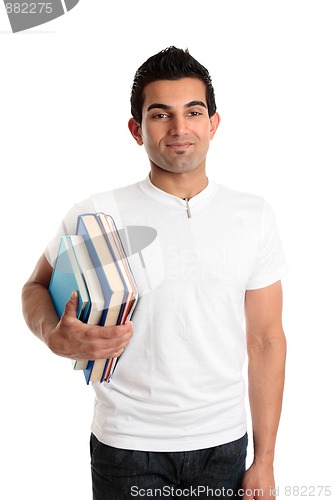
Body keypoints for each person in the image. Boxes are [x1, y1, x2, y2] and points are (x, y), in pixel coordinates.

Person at [22, 46, 288, 499]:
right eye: (161, 114)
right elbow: (35, 287)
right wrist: (52, 334)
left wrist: (264, 460)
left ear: (213, 123)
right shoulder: (96, 213)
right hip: (126, 445)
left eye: (194, 112)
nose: (180, 129)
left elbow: (265, 340)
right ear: (136, 128)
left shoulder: (254, 215)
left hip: (222, 445)